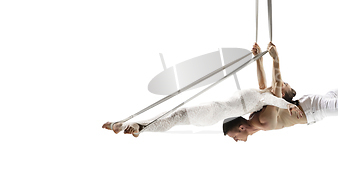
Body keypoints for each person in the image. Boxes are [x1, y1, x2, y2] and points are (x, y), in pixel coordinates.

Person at [102, 42, 301, 137]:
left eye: (286, 85)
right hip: (213, 110)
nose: (283, 83)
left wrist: (276, 59)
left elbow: (276, 85)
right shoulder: (262, 96)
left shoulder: (272, 98)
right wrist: (258, 58)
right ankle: (139, 127)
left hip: (213, 111)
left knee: (176, 116)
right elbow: (263, 81)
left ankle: (139, 127)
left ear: (283, 93)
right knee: (175, 117)